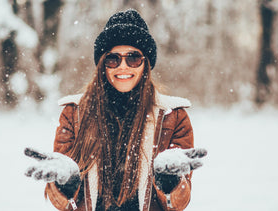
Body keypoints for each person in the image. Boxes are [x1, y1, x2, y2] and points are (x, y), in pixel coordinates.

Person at [24, 9, 207, 211]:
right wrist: (66, 184)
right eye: (113, 58)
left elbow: (178, 204)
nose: (123, 66)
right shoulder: (74, 114)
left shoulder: (173, 117)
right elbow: (64, 204)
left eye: (133, 58)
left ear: (145, 63)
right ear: (103, 64)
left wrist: (171, 183)